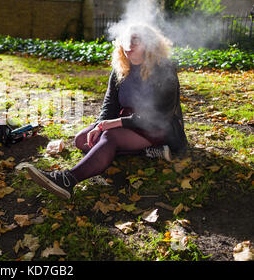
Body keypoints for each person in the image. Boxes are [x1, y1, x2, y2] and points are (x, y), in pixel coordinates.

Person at [26, 24, 187, 199]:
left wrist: (114, 124)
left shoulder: (164, 69)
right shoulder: (121, 68)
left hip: (158, 126)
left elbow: (159, 116)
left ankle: (68, 180)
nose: (129, 46)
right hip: (128, 122)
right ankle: (148, 151)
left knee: (110, 137)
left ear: (149, 44)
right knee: (82, 140)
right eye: (127, 40)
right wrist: (98, 126)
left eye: (136, 40)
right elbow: (110, 105)